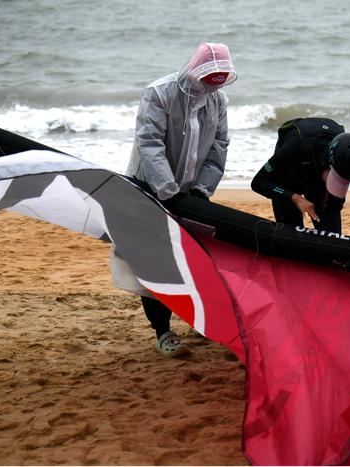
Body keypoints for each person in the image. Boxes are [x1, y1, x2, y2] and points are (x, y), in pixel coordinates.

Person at [125, 42, 237, 357]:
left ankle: (202, 320)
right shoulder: (158, 93)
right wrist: (167, 189)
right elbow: (149, 143)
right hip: (148, 185)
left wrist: (201, 191)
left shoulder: (219, 100)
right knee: (154, 262)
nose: (211, 88)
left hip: (191, 192)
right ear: (195, 71)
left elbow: (219, 146)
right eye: (207, 81)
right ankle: (162, 331)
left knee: (196, 259)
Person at [251, 118, 350, 233]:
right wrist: (295, 198)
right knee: (291, 233)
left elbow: (335, 206)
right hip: (290, 174)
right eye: (335, 179)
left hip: (317, 172)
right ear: (327, 164)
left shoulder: (345, 161)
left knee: (332, 233)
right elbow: (258, 182)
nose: (337, 184)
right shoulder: (295, 145)